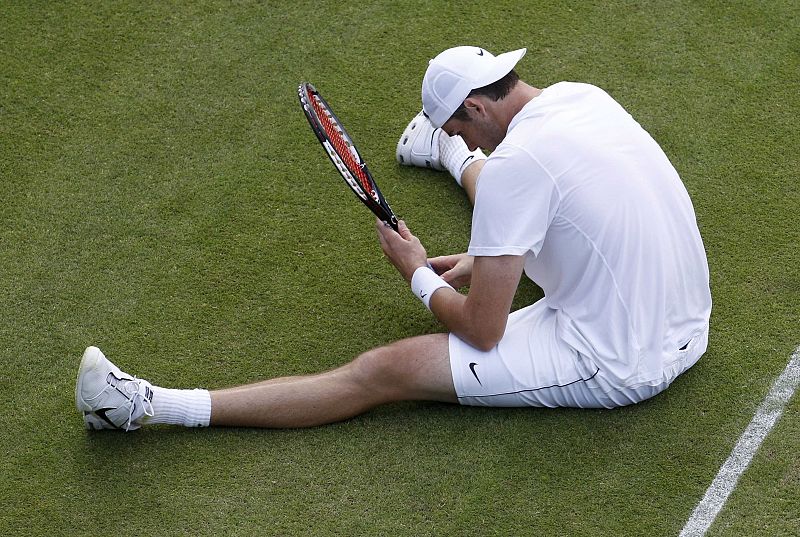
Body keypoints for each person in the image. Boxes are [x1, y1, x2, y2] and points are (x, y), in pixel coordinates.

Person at [75, 45, 712, 431]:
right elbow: (563, 202)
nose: (475, 135)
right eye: (457, 135)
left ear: (479, 108)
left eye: (462, 131)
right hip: (687, 319)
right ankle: (445, 161)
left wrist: (417, 272)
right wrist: (480, 257)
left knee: (383, 370)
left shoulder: (516, 169)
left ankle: (145, 407)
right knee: (503, 199)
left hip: (626, 358)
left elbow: (483, 330)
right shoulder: (581, 98)